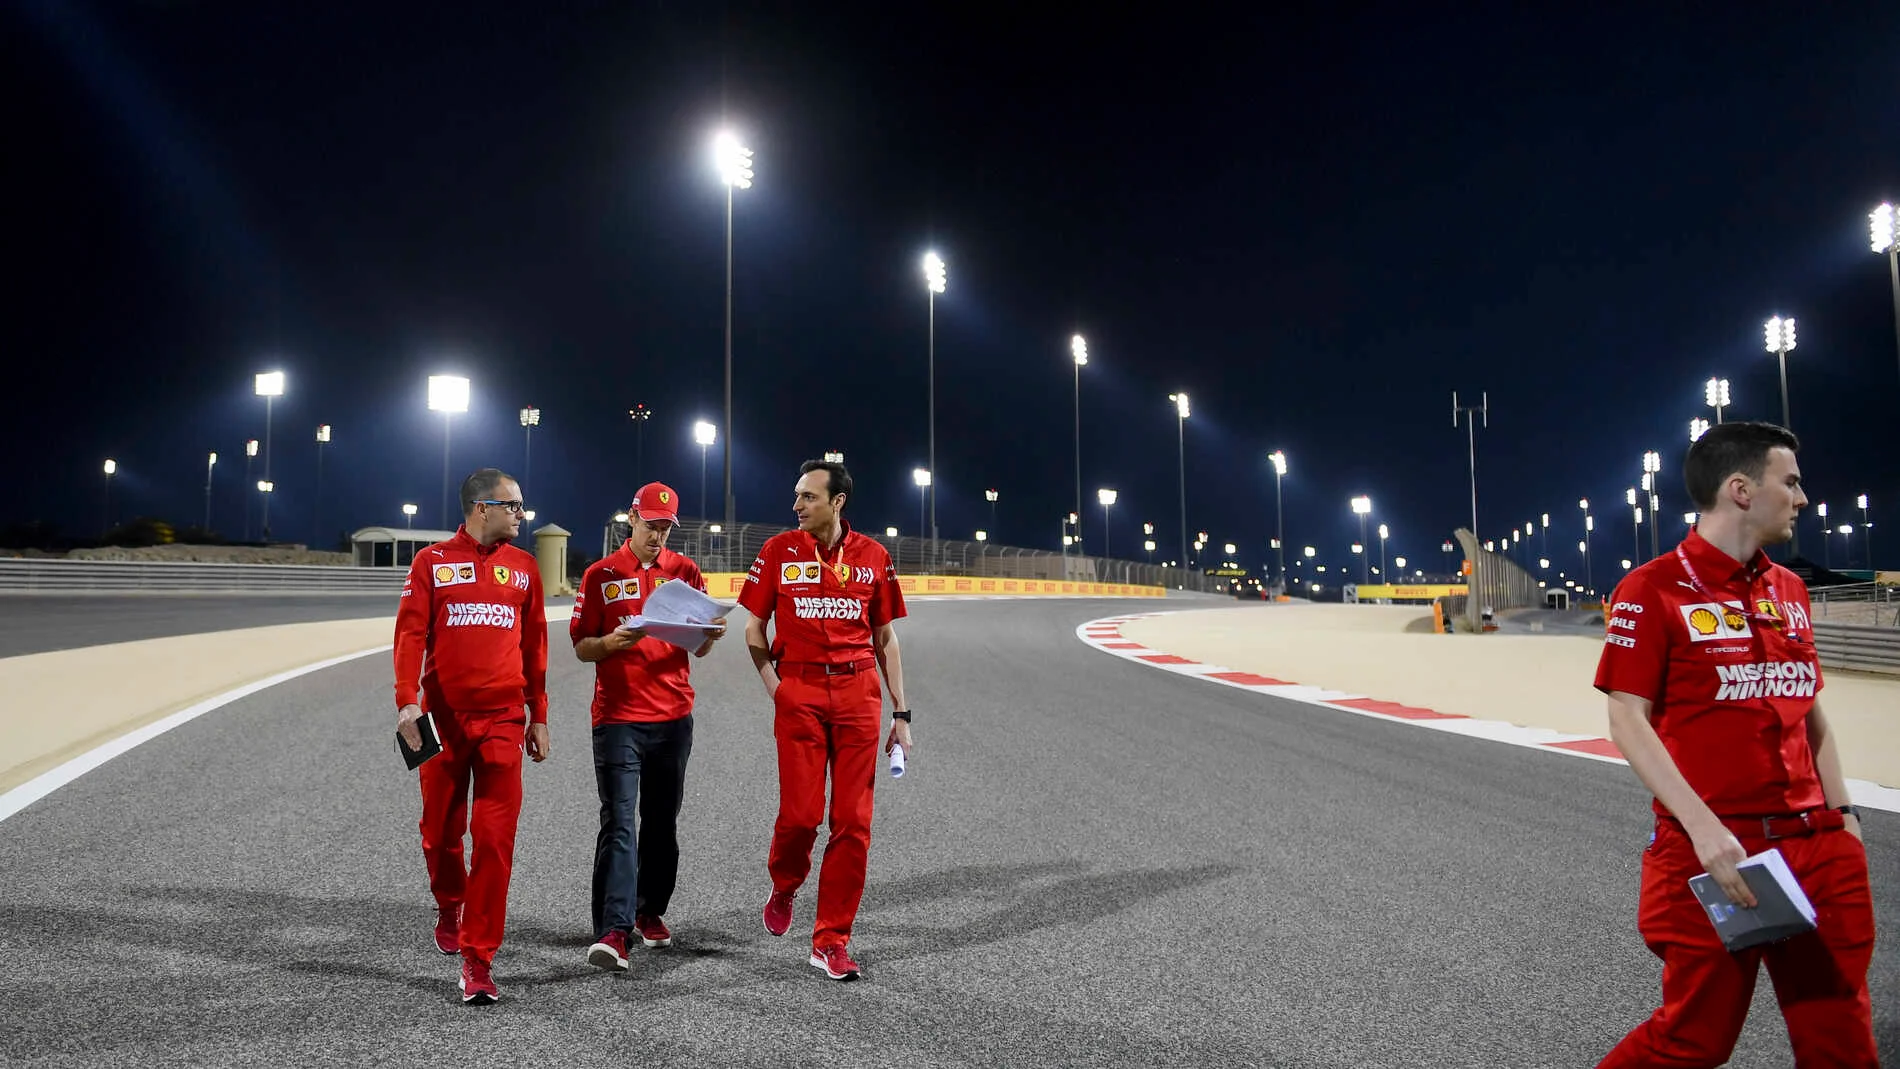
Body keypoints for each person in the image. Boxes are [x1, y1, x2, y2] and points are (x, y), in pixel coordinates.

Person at [1593, 421, 1875, 1066]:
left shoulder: (1791, 590)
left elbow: (1810, 714)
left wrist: (1845, 819)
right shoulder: (1652, 588)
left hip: (1817, 845)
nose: (1802, 499)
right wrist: (1705, 831)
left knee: (1839, 1031)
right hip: (1716, 853)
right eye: (1792, 481)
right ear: (1742, 489)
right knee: (1695, 1040)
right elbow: (1627, 720)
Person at [739, 459, 912, 981]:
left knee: (853, 824)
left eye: (808, 497)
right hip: (801, 690)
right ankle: (786, 883)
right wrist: (778, 689)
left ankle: (831, 940)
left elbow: (885, 639)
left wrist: (901, 713)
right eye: (797, 496)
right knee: (800, 817)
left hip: (859, 692)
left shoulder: (874, 556)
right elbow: (753, 627)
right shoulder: (777, 551)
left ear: (837, 502)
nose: (796, 505)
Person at [393, 468, 549, 1005]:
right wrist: (407, 700)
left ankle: (478, 958)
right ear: (483, 508)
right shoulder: (431, 563)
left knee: (494, 841)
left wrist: (539, 714)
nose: (521, 516)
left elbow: (535, 650)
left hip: (504, 721)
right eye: (514, 506)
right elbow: (411, 632)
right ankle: (449, 904)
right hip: (442, 720)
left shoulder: (525, 568)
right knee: (440, 832)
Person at [570, 482, 726, 971]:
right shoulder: (600, 574)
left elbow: (698, 647)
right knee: (619, 823)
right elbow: (581, 646)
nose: (657, 535)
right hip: (617, 718)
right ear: (631, 519)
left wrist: (710, 635)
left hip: (674, 717)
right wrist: (611, 643)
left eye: (665, 527)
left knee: (662, 824)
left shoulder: (685, 573)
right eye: (650, 524)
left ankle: (650, 910)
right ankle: (613, 932)